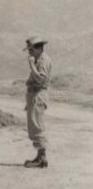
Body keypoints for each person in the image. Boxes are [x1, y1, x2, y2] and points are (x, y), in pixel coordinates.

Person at [23, 36, 53, 168]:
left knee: (37, 125)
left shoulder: (44, 60)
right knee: (34, 125)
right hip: (34, 94)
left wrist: (31, 66)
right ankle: (40, 155)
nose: (29, 52)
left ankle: (42, 158)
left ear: (40, 48)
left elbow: (40, 79)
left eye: (31, 49)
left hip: (38, 94)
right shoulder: (38, 60)